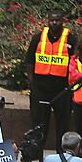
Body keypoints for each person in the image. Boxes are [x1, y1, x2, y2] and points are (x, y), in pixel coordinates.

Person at [26, 10, 73, 149]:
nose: (54, 23)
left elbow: (75, 62)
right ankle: (36, 151)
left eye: (57, 20)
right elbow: (29, 61)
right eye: (51, 20)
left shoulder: (70, 39)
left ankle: (62, 152)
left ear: (62, 21)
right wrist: (31, 83)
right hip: (40, 89)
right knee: (38, 123)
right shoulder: (38, 38)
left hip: (62, 90)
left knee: (63, 124)